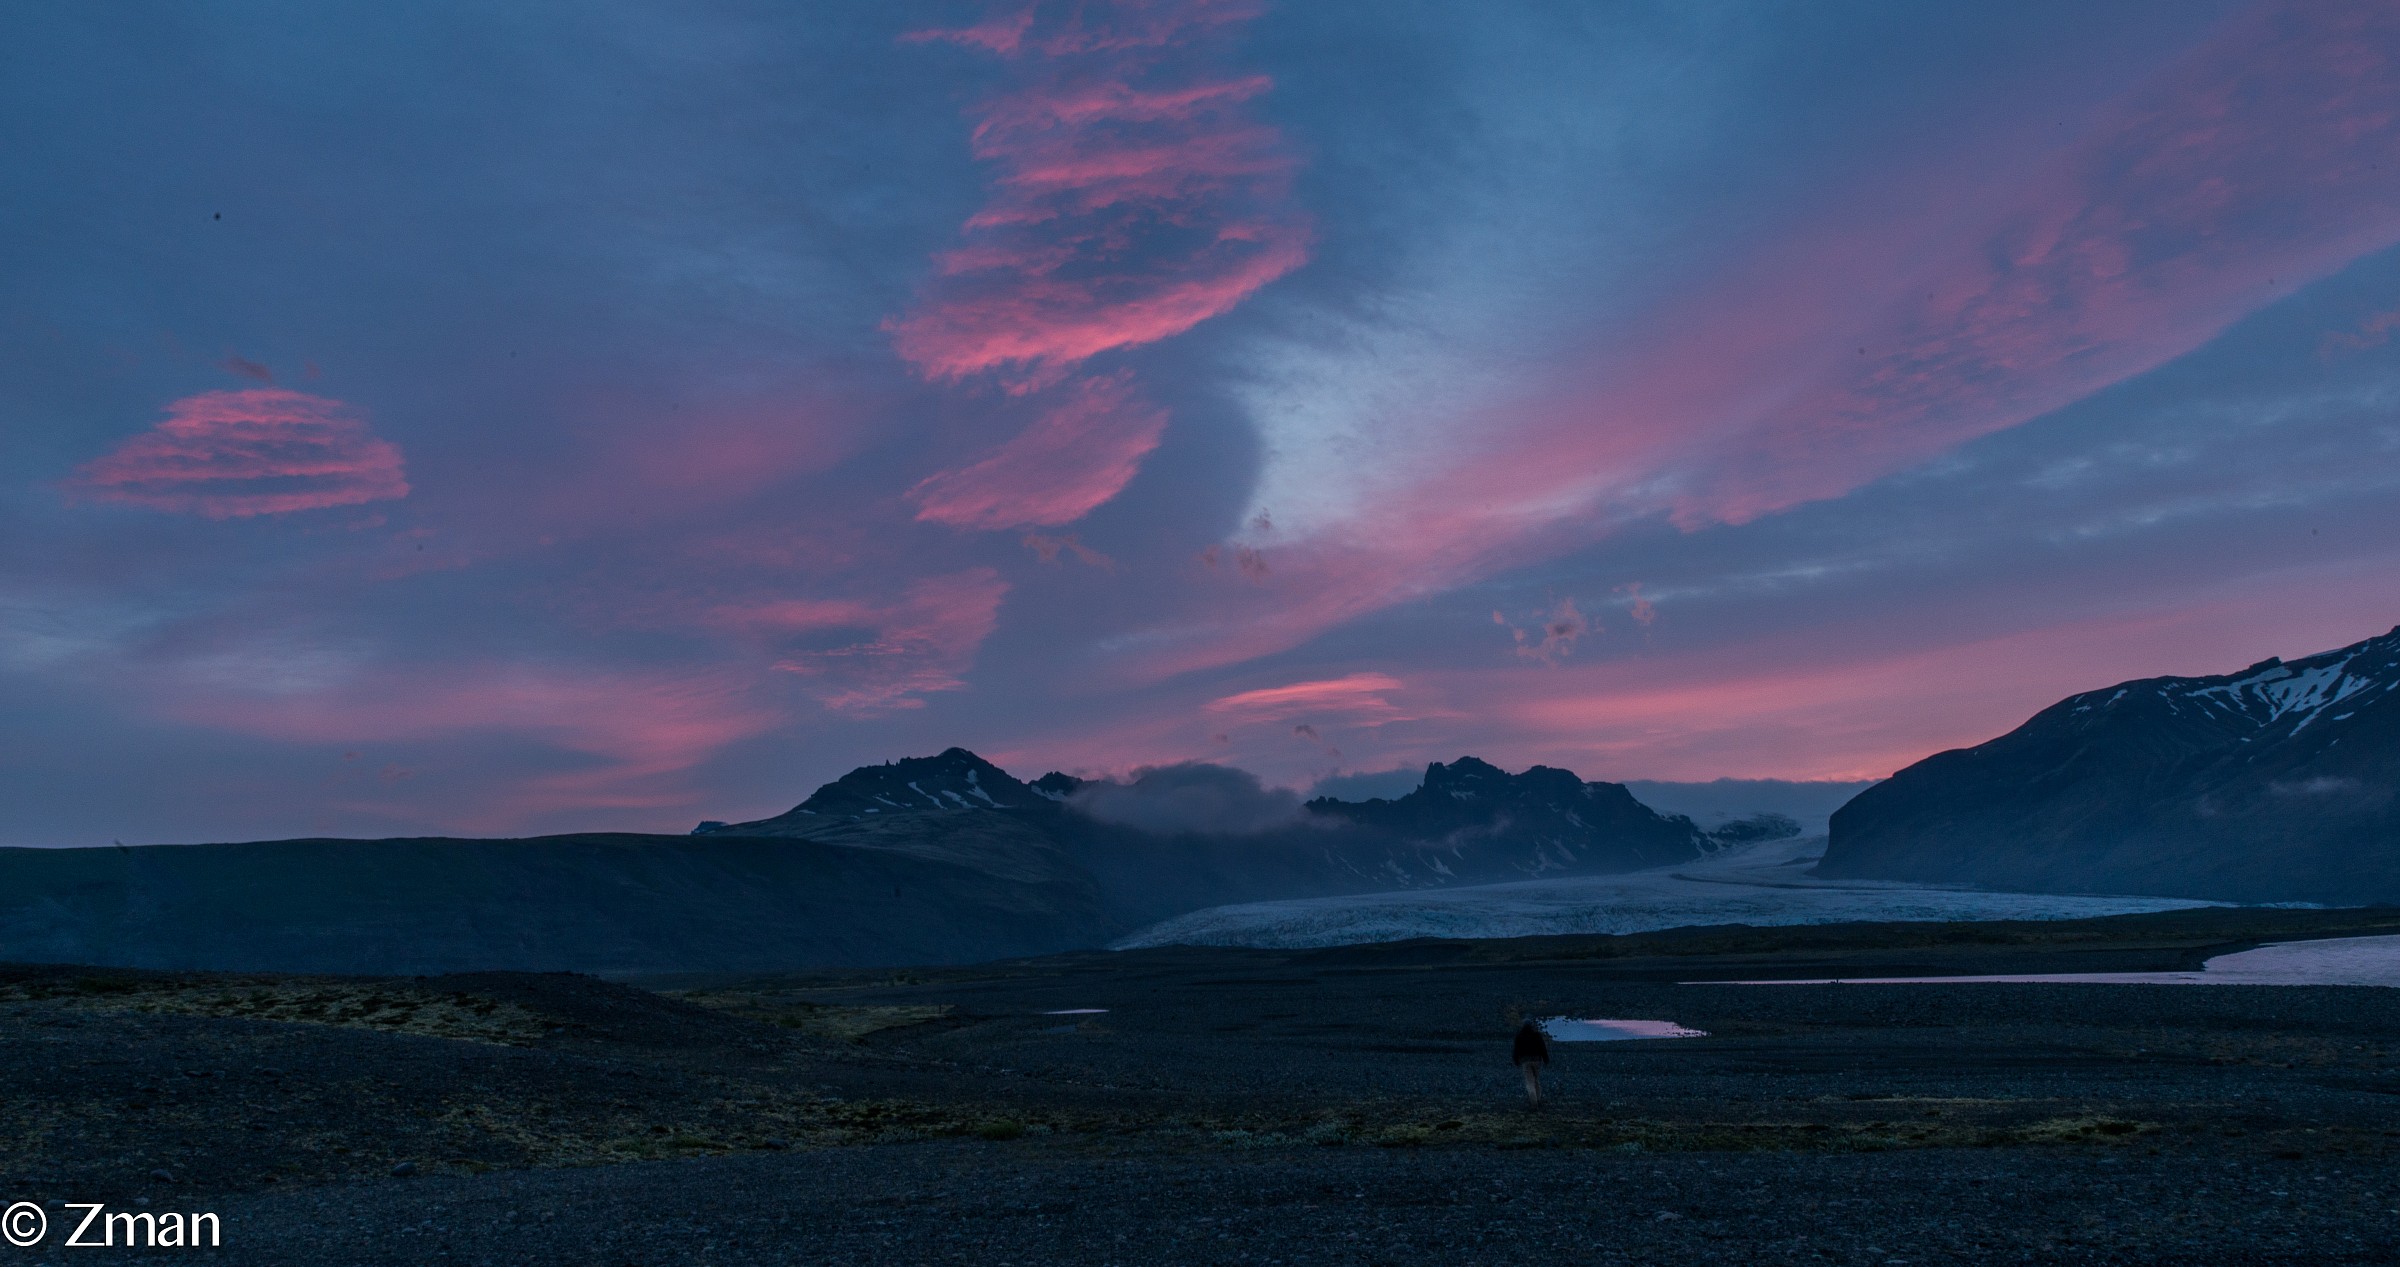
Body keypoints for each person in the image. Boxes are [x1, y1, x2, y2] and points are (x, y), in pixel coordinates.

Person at [1512, 1019, 1550, 1109]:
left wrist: (1516, 1060)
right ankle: (1538, 1098)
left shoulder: (1519, 1036)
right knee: (1536, 1079)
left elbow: (1516, 1049)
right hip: (1537, 1060)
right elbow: (1542, 1047)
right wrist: (1546, 1059)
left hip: (1525, 1061)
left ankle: (1534, 1102)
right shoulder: (1537, 1035)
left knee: (1529, 1082)